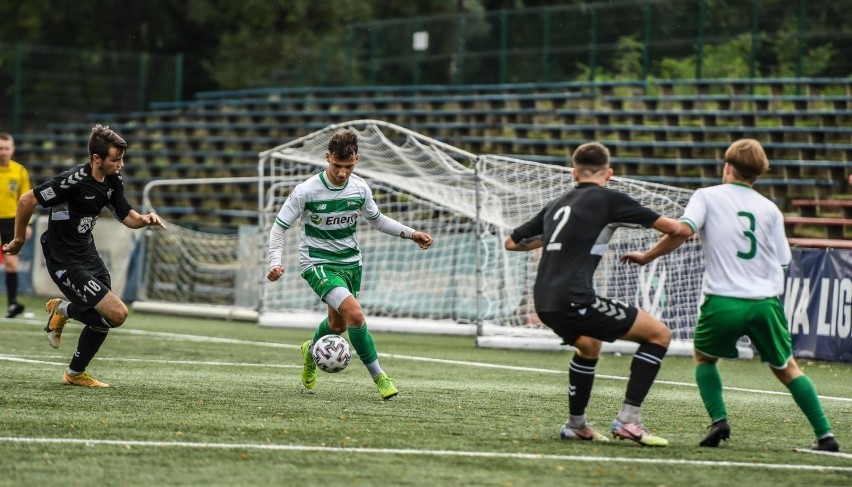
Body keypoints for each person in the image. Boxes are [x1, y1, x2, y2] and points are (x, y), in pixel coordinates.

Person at [621, 139, 840, 452]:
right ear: (757, 175)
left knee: (705, 358)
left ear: (727, 167)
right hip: (765, 302)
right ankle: (826, 437)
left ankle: (719, 419)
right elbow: (783, 260)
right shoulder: (770, 209)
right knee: (788, 368)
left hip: (723, 300)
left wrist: (647, 256)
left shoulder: (707, 196)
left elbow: (682, 231)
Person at [505, 141, 681, 447]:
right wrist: (647, 256)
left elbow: (512, 242)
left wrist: (557, 241)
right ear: (609, 173)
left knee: (589, 345)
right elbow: (676, 229)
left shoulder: (557, 203)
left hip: (545, 301)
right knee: (659, 334)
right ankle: (629, 421)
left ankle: (576, 425)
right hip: (575, 299)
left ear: (574, 173)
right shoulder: (608, 199)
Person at [266, 129, 433, 400]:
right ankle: (381, 378)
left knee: (338, 326)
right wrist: (275, 261)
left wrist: (411, 233)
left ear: (357, 159)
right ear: (327, 158)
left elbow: (377, 220)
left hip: (351, 264)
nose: (343, 173)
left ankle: (310, 351)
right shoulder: (306, 191)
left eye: (349, 166)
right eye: (337, 166)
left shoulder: (360, 188)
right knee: (355, 315)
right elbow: (279, 227)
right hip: (317, 263)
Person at [2, 124, 165, 388]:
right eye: (115, 159)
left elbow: (126, 216)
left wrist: (145, 219)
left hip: (89, 255)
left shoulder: (113, 180)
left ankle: (75, 373)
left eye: (122, 158)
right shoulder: (73, 180)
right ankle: (63, 310)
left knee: (104, 318)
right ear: (96, 159)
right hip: (63, 258)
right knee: (117, 314)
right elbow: (26, 200)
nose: (120, 164)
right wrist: (19, 239)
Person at [0, 133, 32, 318]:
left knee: (12, 263)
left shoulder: (20, 171)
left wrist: (25, 225)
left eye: (6, 148)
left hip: (11, 221)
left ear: (12, 149)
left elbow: (26, 200)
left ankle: (12, 304)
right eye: (0, 148)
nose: (3, 152)